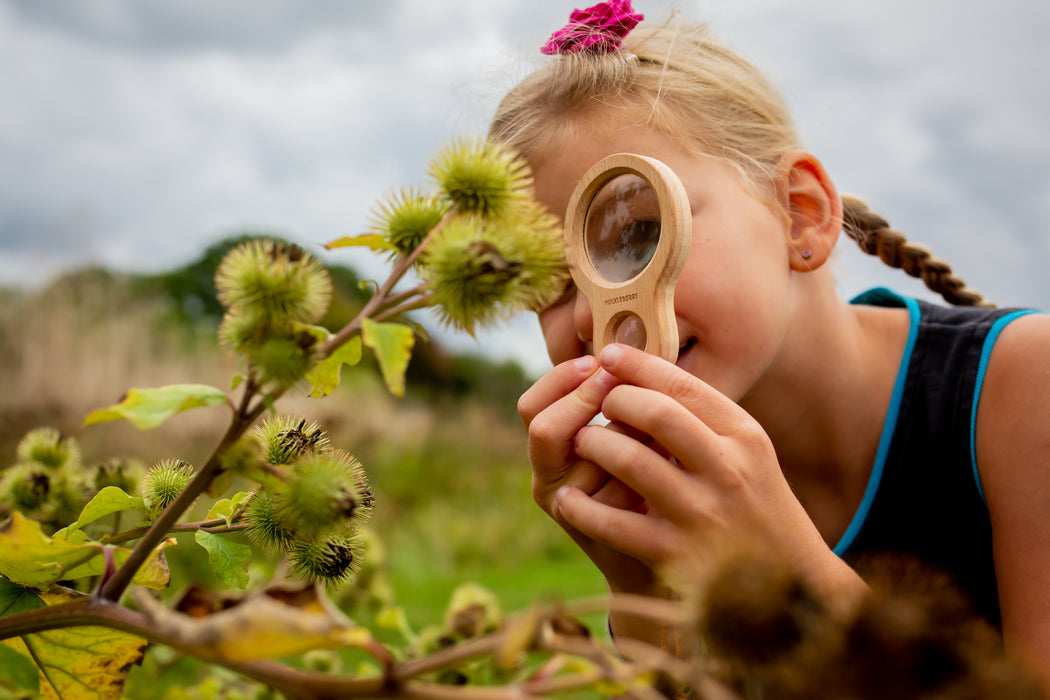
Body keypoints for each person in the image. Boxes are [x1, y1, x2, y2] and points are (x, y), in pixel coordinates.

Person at [488, 0, 1050, 688]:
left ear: (800, 214)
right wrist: (641, 589)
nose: (585, 314)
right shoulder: (677, 484)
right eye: (545, 287)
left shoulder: (1029, 384)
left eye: (637, 234)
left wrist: (793, 568)